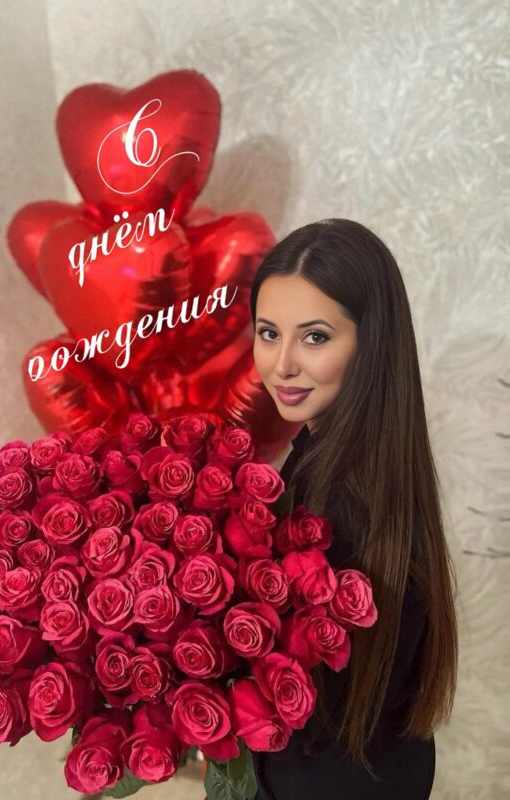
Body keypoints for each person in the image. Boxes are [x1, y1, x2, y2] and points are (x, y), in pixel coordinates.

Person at [248, 219, 459, 799]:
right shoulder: (346, 460)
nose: (282, 364)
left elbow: (311, 709)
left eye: (314, 337)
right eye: (268, 333)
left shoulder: (346, 500)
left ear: (371, 343)